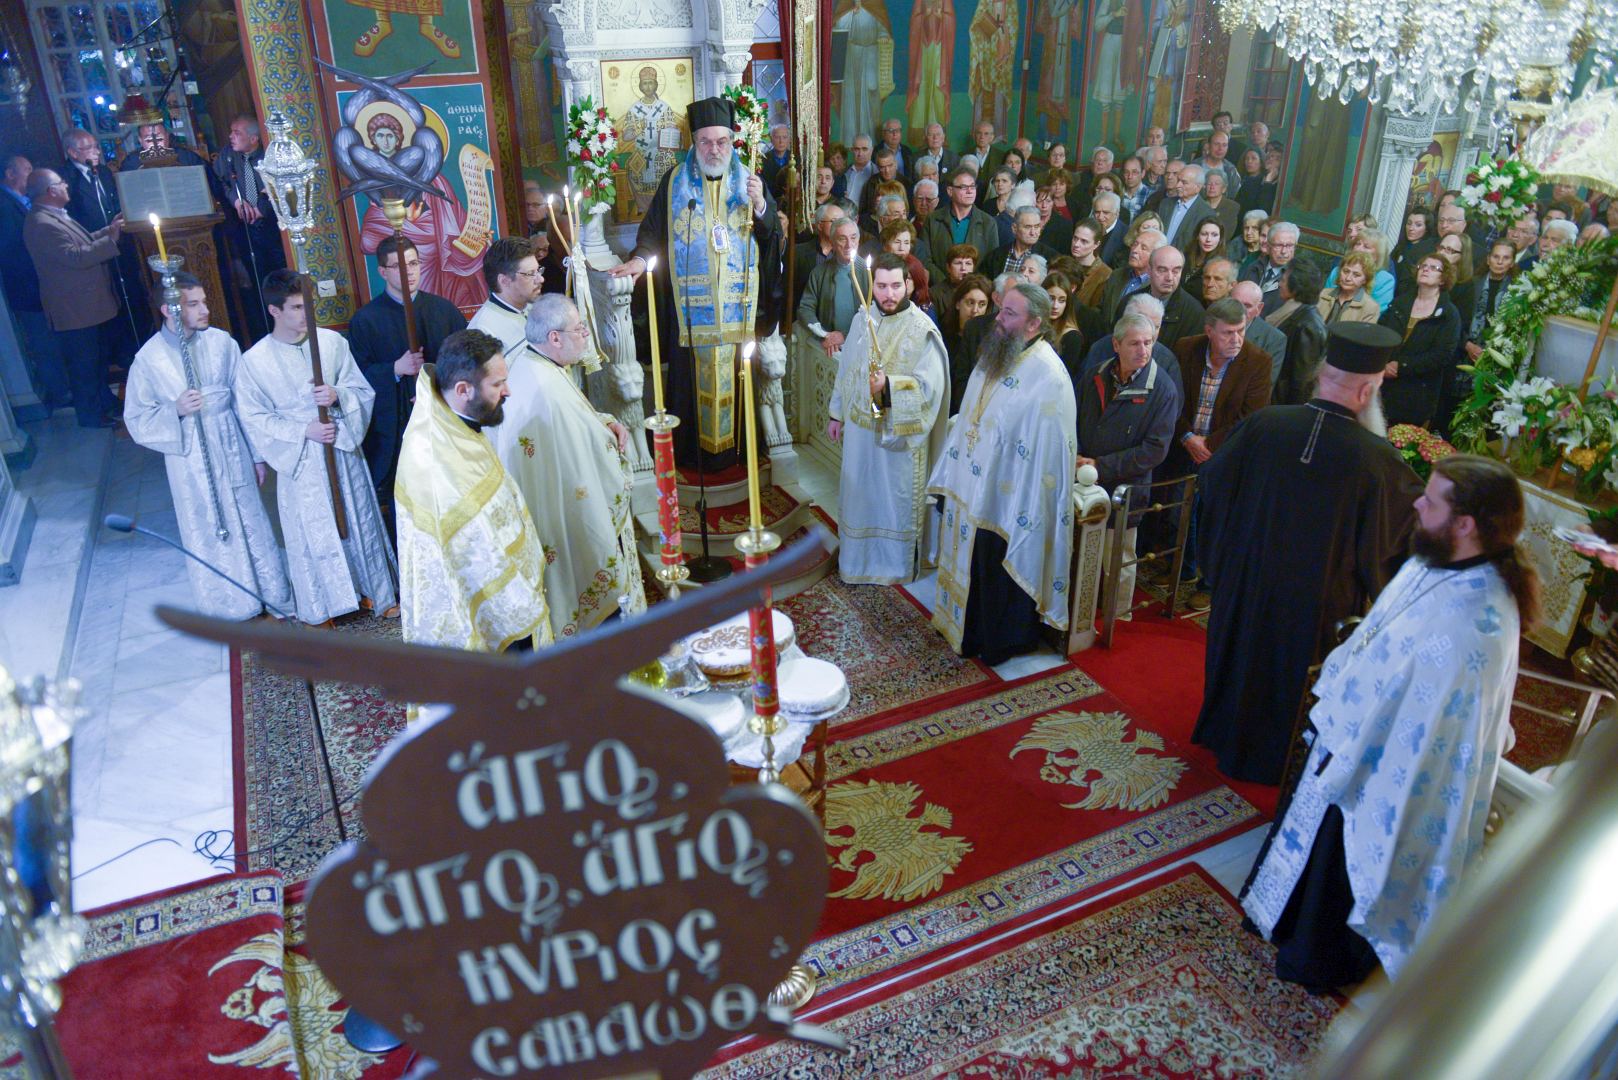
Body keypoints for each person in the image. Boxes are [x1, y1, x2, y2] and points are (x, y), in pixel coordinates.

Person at [1243, 455, 1536, 990]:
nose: (1417, 504)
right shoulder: (1433, 560)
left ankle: (1321, 957)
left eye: (1431, 499)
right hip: (1352, 739)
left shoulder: (1480, 622)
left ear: (1465, 524)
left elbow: (1436, 724)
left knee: (1344, 865)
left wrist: (1360, 746)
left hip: (1388, 773)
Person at [1193, 323, 1423, 785]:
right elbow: (1397, 540)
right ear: (1368, 392)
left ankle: (1225, 736)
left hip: (1248, 584)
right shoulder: (1378, 460)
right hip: (1318, 603)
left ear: (1321, 375)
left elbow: (1211, 486)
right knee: (1291, 677)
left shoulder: (1265, 424)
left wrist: (1225, 558)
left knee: (1242, 657)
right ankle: (1278, 760)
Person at [611, 96, 781, 470]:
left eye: (721, 141)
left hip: (738, 309)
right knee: (689, 384)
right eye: (705, 141)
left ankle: (740, 454)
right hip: (690, 311)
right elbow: (652, 233)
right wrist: (639, 261)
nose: (714, 149)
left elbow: (772, 237)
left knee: (739, 377)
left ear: (732, 141)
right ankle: (692, 458)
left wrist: (761, 206)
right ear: (694, 142)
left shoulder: (749, 180)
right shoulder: (675, 183)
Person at [123, 273, 293, 619]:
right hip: (190, 459)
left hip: (232, 443)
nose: (205, 310)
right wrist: (175, 410)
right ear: (168, 310)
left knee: (251, 517)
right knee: (210, 525)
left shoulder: (221, 343)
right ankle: (230, 605)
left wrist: (256, 455)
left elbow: (245, 402)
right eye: (193, 304)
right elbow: (137, 420)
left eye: (204, 301)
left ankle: (271, 593)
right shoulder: (149, 360)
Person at [237, 270, 398, 625]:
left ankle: (375, 591)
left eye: (309, 305)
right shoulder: (254, 361)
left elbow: (361, 390)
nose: (306, 315)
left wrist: (337, 395)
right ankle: (323, 604)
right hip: (302, 459)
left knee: (358, 519)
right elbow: (254, 418)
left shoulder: (331, 343)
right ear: (274, 310)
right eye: (297, 308)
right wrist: (303, 430)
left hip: (341, 446)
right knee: (313, 529)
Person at [927, 283, 1076, 662]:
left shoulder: (1049, 377)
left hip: (1011, 499)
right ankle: (965, 630)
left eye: (1010, 313)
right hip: (972, 481)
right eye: (1001, 310)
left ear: (1034, 324)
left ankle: (999, 641)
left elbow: (1045, 453)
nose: (999, 318)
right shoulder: (997, 352)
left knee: (994, 567)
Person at [490, 295, 645, 639]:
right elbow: (579, 448)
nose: (586, 335)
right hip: (564, 515)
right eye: (579, 329)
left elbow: (577, 424)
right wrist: (609, 445)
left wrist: (604, 422)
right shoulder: (546, 389)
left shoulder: (534, 363)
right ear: (555, 338)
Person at [395, 328, 552, 654]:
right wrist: (518, 602)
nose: (508, 391)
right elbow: (472, 549)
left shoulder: (453, 422)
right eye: (497, 384)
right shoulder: (432, 455)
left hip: (508, 584)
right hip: (482, 607)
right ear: (463, 389)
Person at [826, 254, 949, 584]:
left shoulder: (923, 330)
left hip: (897, 442)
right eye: (881, 286)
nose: (889, 294)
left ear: (908, 284)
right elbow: (847, 369)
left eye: (896, 285)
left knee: (892, 503)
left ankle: (893, 566)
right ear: (872, 285)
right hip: (860, 436)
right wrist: (836, 413)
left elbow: (931, 389)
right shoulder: (862, 319)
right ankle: (856, 563)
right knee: (859, 497)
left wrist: (889, 386)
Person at [348, 235, 469, 540]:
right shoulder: (366, 320)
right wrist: (394, 369)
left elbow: (468, 363)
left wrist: (439, 388)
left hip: (443, 421)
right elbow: (356, 378)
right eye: (399, 266)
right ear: (382, 272)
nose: (409, 272)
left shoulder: (444, 310)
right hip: (397, 427)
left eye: (414, 263)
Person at [1076, 311, 1182, 618]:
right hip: (1084, 481)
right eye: (1135, 343)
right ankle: (1081, 607)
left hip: (1125, 488)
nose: (1143, 350)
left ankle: (1118, 616)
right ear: (1116, 345)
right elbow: (1076, 418)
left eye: (1148, 342)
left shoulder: (1162, 389)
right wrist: (1078, 455)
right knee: (1082, 552)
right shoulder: (1096, 374)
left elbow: (1154, 451)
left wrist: (1100, 465)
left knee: (1118, 557)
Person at [21, 167, 124, 428]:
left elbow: (83, 242)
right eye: (61, 183)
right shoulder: (41, 224)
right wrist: (110, 241)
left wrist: (109, 230)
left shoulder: (54, 215)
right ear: (51, 191)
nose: (66, 185)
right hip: (75, 310)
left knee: (97, 361)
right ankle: (91, 416)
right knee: (84, 366)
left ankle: (105, 403)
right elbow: (75, 257)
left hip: (86, 306)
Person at [0, 153, 71, 413]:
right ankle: (60, 392)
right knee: (43, 343)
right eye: (27, 169)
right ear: (10, 174)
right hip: (29, 290)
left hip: (42, 287)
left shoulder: (22, 201)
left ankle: (65, 387)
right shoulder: (4, 205)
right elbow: (14, 253)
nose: (31, 175)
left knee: (53, 340)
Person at [213, 115, 287, 341]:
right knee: (255, 281)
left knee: (279, 277)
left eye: (237, 133)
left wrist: (262, 208)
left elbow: (280, 186)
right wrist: (236, 201)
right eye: (231, 132)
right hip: (245, 230)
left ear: (254, 139)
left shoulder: (270, 156)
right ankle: (263, 331)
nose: (231, 136)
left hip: (273, 228)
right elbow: (221, 183)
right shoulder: (228, 156)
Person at [1378, 253, 1462, 428]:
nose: (1425, 270)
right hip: (1384, 385)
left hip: (1417, 392)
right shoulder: (1399, 303)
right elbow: (1381, 333)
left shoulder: (1448, 314)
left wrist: (1402, 366)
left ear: (1443, 278)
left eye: (1434, 268)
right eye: (1423, 266)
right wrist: (1384, 363)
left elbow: (1442, 355)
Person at [798, 218, 871, 359]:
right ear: (832, 243)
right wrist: (825, 335)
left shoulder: (869, 271)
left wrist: (845, 335)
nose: (849, 245)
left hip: (863, 344)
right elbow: (805, 308)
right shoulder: (819, 272)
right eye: (842, 239)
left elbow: (875, 312)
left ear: (858, 240)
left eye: (853, 238)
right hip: (830, 348)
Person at [467, 236, 546, 357]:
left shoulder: (534, 307)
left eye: (538, 270)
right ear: (504, 280)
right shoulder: (483, 332)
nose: (541, 279)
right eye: (530, 274)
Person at [1270, 260, 1329, 405]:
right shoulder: (1290, 311)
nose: (1280, 284)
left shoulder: (1309, 326)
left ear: (1296, 287)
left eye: (1284, 280)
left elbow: (1301, 382)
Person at [1144, 244, 1205, 351]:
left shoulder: (1195, 315)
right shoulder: (1130, 301)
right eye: (1162, 270)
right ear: (1149, 270)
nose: (1170, 278)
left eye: (1176, 271)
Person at [1242, 220, 1298, 313]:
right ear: (1268, 246)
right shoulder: (1254, 267)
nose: (1284, 251)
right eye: (1278, 245)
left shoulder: (1296, 277)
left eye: (1289, 246)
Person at [1316, 252, 1381, 327]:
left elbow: (1363, 334)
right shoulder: (1321, 294)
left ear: (1365, 280)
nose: (1348, 278)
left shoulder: (1371, 308)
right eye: (1346, 271)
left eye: (1356, 275)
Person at [1067, 218, 1114, 309]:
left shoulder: (1105, 274)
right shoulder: (1064, 263)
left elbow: (1094, 312)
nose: (1076, 244)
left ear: (1096, 244)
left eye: (1084, 241)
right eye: (1075, 238)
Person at [1183, 217, 1227, 303]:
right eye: (1204, 234)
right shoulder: (1186, 256)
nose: (1208, 239)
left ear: (1220, 239)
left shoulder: (1220, 267)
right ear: (1197, 236)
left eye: (1214, 235)